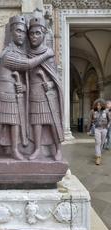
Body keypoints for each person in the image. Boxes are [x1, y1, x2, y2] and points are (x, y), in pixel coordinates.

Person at [0, 15, 54, 161]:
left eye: (24, 32)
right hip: (3, 91)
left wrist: (23, 87)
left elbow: (25, 74)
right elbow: (27, 65)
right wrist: (46, 54)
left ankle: (14, 150)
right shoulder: (8, 53)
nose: (22, 35)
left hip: (15, 92)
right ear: (11, 32)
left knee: (15, 122)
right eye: (18, 31)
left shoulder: (20, 52)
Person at [28, 17, 64, 161]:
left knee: (52, 122)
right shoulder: (28, 54)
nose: (34, 36)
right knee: (36, 122)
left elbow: (56, 78)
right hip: (34, 94)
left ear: (43, 35)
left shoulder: (49, 54)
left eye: (37, 33)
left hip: (48, 94)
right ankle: (37, 149)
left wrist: (49, 84)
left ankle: (58, 149)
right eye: (31, 33)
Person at [89, 98, 110, 165]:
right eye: (97, 105)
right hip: (97, 129)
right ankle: (98, 157)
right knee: (98, 142)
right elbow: (91, 120)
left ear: (102, 105)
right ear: (95, 105)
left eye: (100, 105)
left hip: (104, 129)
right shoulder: (93, 111)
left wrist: (107, 127)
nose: (98, 106)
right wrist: (90, 128)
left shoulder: (106, 111)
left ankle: (98, 153)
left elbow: (109, 120)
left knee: (102, 142)